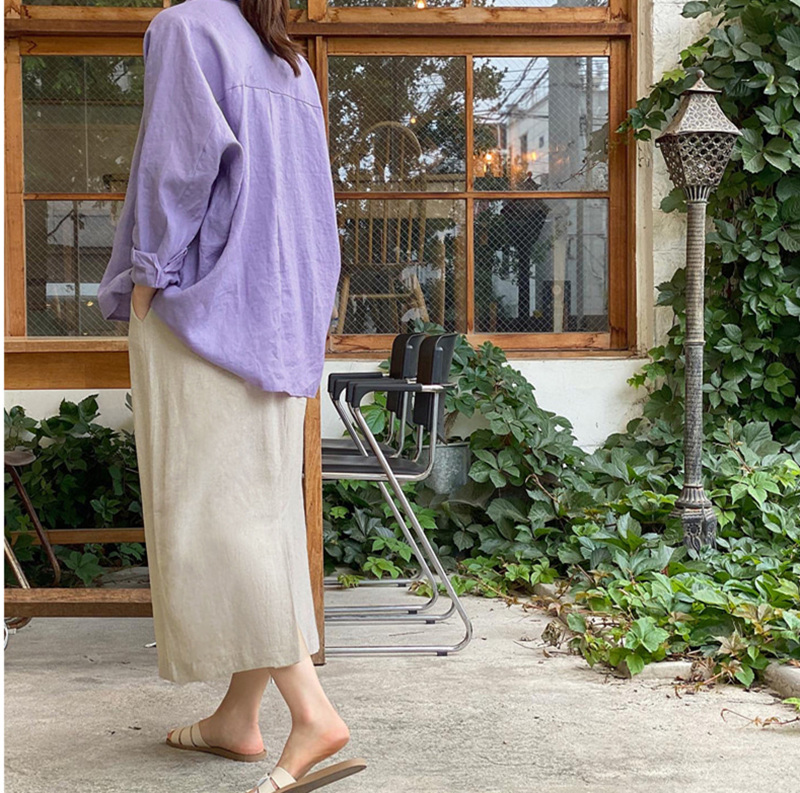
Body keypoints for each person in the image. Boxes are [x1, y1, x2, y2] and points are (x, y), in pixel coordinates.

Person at [97, 0, 365, 790]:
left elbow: (176, 166)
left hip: (203, 314)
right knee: (262, 514)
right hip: (277, 318)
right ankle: (237, 717)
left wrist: (146, 275)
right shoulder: (288, 61)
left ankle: (312, 712)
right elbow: (314, 207)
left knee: (216, 518)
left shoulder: (187, 28)